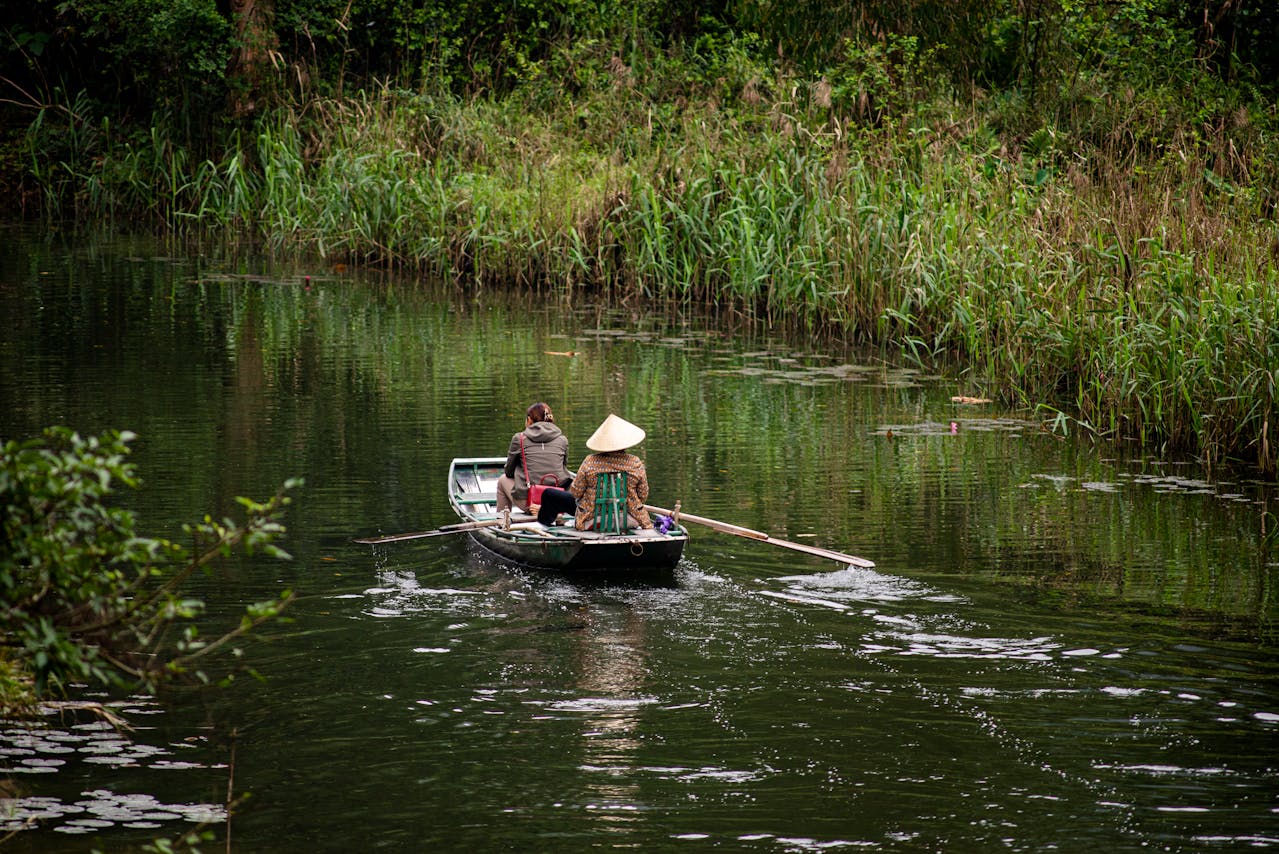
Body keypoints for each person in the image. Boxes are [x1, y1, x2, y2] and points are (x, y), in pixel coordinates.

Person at [569, 414, 653, 530]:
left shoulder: (589, 462)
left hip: (592, 520)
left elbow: (576, 493)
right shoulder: (635, 463)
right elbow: (643, 495)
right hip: (630, 519)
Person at [496, 402, 573, 520]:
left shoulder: (519, 439)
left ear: (529, 420)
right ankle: (557, 516)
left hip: (529, 502)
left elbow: (509, 472)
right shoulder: (562, 440)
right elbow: (563, 468)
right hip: (558, 501)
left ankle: (501, 521)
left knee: (502, 480)